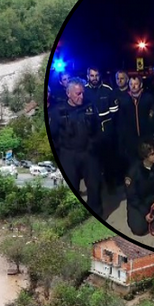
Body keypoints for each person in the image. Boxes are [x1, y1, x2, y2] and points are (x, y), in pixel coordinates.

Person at [49, 78, 104, 215]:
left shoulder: (90, 107)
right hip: (69, 154)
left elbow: (98, 129)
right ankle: (74, 216)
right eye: (78, 94)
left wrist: (95, 145)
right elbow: (54, 135)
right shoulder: (58, 112)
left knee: (94, 186)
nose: (81, 97)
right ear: (68, 94)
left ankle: (95, 215)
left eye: (82, 93)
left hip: (89, 152)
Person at [83, 66, 120, 190]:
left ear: (100, 76)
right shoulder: (83, 91)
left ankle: (111, 186)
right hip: (90, 133)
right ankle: (96, 187)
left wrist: (109, 128)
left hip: (106, 131)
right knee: (94, 163)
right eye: (92, 75)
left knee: (108, 160)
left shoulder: (107, 90)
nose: (94, 78)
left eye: (96, 75)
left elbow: (114, 112)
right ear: (88, 76)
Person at [116, 75, 154, 167]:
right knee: (133, 165)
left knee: (146, 163)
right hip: (130, 139)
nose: (133, 86)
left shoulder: (148, 98)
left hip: (145, 137)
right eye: (131, 84)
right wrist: (123, 139)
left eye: (136, 84)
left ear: (141, 85)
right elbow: (121, 121)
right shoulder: (124, 100)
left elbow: (153, 116)